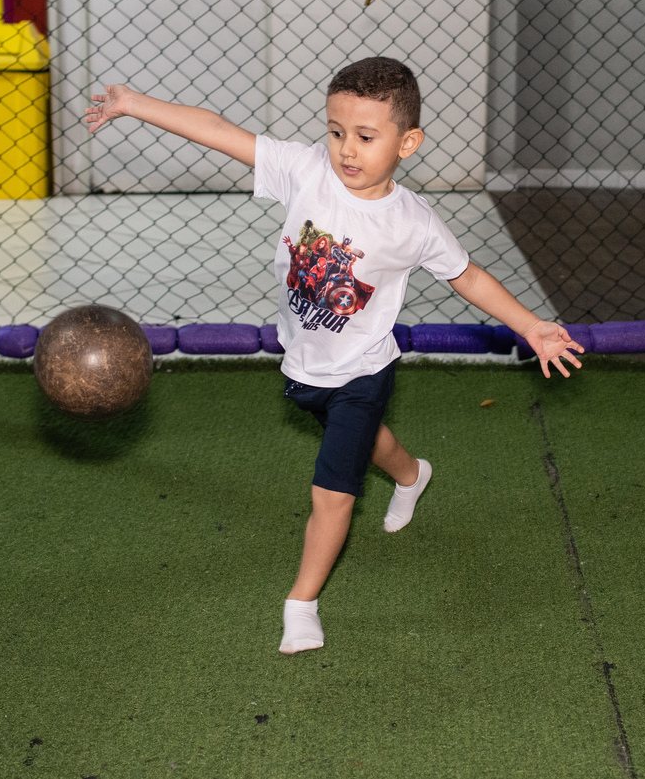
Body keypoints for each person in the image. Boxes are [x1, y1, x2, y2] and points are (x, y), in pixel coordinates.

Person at [84, 57, 584, 655]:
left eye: (366, 137)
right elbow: (218, 130)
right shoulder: (306, 171)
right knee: (369, 442)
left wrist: (532, 326)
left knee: (333, 491)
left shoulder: (414, 223)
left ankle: (301, 603)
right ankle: (412, 473)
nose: (347, 149)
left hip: (365, 369)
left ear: (407, 143)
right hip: (305, 364)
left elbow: (468, 276)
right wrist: (134, 103)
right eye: (336, 130)